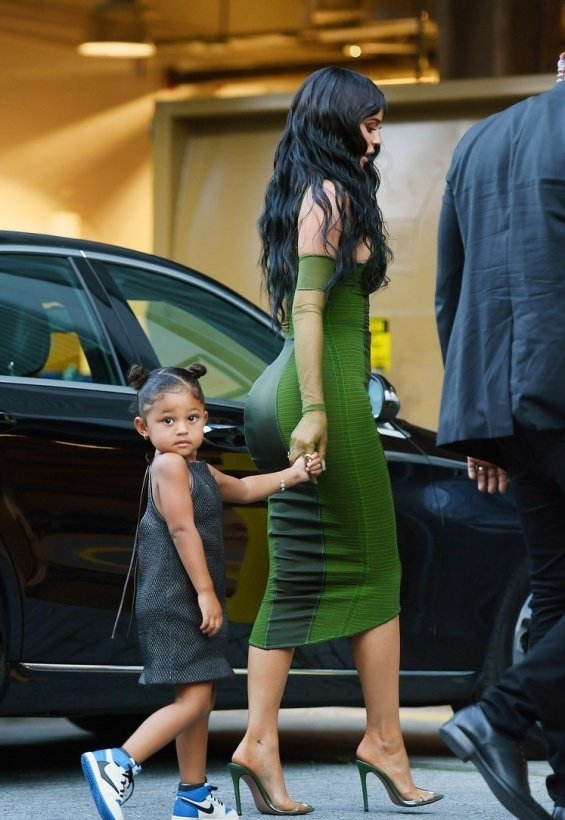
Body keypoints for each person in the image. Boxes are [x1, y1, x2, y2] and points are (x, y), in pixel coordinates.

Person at [229, 66, 443, 817]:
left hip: (288, 388)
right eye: (370, 122)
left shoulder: (314, 189)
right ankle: (383, 740)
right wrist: (319, 408)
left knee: (295, 572)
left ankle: (259, 742)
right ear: (336, 122)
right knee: (377, 566)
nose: (378, 136)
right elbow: (311, 310)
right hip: (317, 394)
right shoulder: (330, 195)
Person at [80, 364, 322, 820]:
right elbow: (181, 529)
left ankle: (193, 795)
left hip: (186, 599)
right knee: (194, 700)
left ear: (205, 417)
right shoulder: (168, 466)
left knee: (198, 698)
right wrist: (207, 594)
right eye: (167, 420)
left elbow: (249, 488)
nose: (182, 429)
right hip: (177, 599)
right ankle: (118, 762)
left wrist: (295, 474)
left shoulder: (201, 471)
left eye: (191, 418)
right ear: (143, 428)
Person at [435, 53, 565, 820]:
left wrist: (478, 422)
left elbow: (450, 290)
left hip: (498, 404)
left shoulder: (478, 141)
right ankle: (500, 714)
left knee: (553, 587)